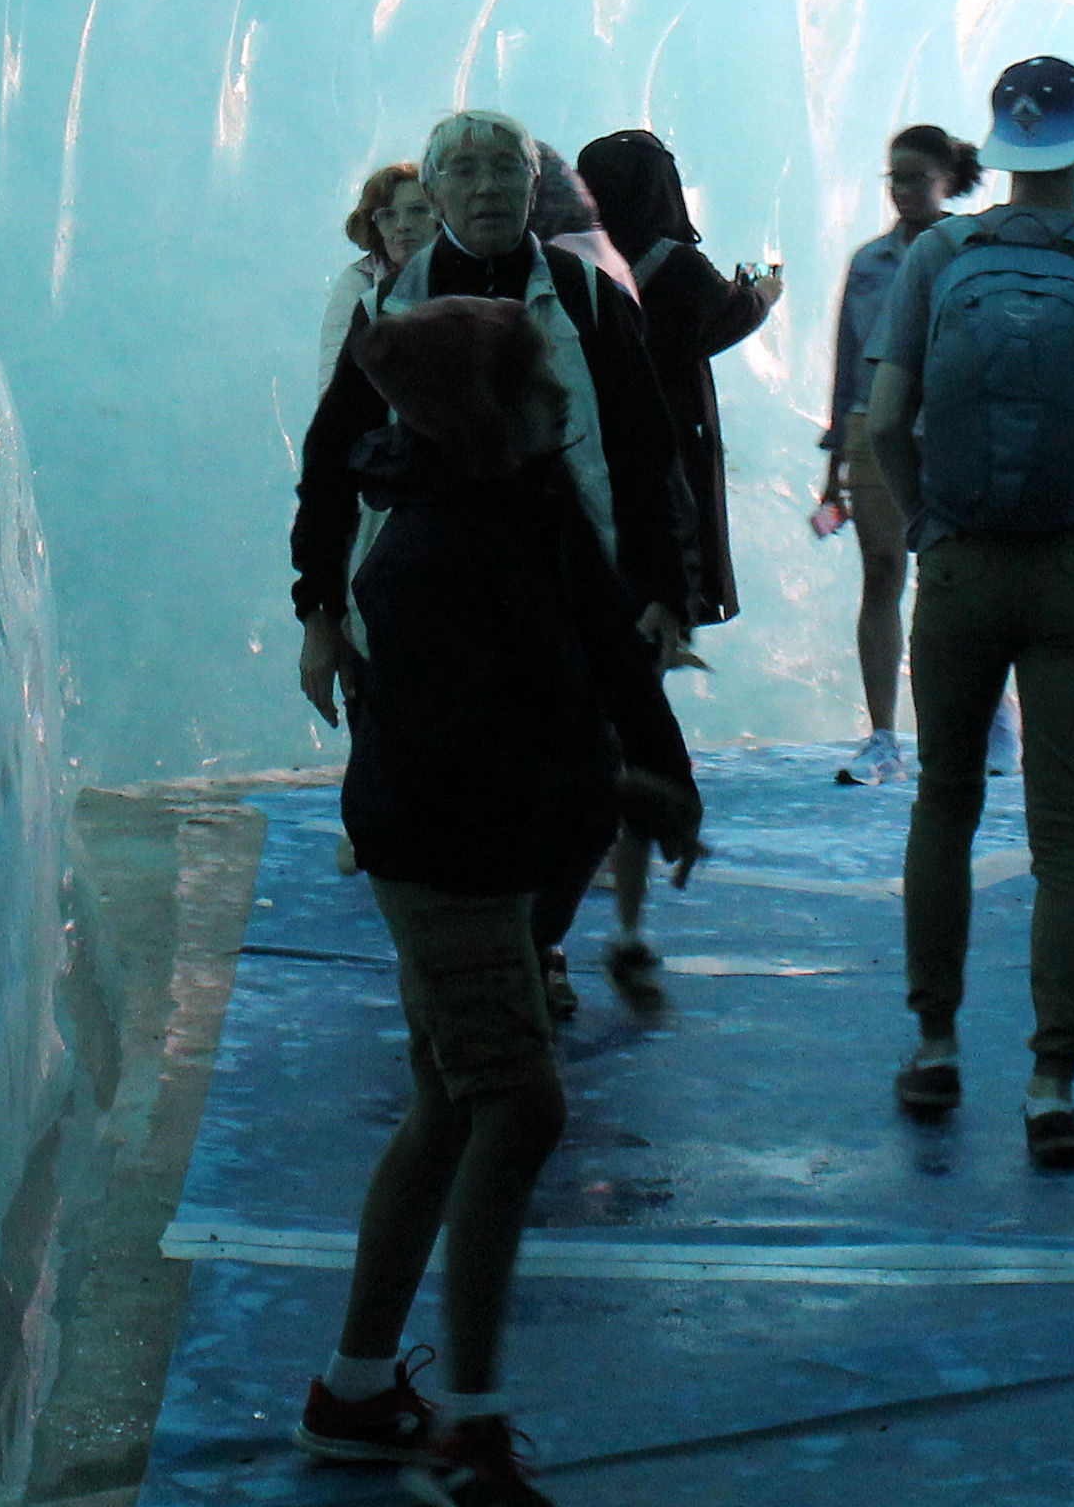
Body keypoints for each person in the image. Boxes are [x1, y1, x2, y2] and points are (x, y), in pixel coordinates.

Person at [286, 243, 706, 1505]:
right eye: (536, 386)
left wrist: (662, 768)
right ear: (484, 410)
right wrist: (615, 790)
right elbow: (460, 763)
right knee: (518, 1106)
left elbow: (602, 628)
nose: (560, 403)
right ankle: (466, 1428)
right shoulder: (418, 562)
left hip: (483, 846)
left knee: (451, 1103)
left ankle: (357, 1392)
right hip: (446, 862)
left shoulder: (519, 497)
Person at [865, 55, 1074, 1171]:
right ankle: (1053, 1082)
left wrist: (926, 528)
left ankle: (935, 1043)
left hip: (960, 564)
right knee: (1065, 837)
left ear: (996, 146)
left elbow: (882, 425)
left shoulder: (936, 258)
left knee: (944, 808)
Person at [295, 113, 683, 1016]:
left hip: (567, 587)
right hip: (440, 603)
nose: (489, 189)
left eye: (506, 170)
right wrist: (319, 606)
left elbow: (643, 449)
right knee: (477, 780)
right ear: (433, 194)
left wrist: (665, 589)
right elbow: (328, 467)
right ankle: (493, 964)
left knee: (574, 777)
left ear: (533, 186)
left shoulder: (589, 299)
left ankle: (526, 944)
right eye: (464, 173)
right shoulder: (388, 314)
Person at [566, 128, 784, 982]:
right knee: (636, 707)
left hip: (589, 507)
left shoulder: (570, 265)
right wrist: (762, 293)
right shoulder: (677, 268)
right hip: (663, 509)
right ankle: (624, 916)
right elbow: (721, 323)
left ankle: (570, 916)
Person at [814, 122, 978, 784]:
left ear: (946, 180)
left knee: (953, 577)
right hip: (868, 428)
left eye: (915, 177)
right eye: (895, 178)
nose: (903, 190)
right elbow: (848, 362)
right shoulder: (869, 261)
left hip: (945, 429)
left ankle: (974, 722)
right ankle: (883, 733)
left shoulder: (967, 250)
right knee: (882, 573)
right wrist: (834, 466)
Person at [320, 161, 432, 383]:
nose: (402, 225)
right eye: (389, 215)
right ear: (375, 225)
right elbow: (333, 380)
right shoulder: (360, 281)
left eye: (417, 210)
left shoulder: (462, 269)